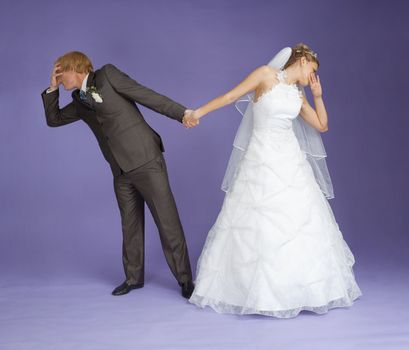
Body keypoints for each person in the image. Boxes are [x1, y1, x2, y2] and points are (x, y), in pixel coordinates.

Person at [187, 44, 362, 318]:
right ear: (303, 61)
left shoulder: (298, 95)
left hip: (291, 161)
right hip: (260, 158)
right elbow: (231, 95)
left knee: (297, 222)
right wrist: (197, 112)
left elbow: (322, 125)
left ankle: (295, 290)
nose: (313, 77)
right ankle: (255, 293)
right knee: (255, 222)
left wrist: (318, 96)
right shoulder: (265, 75)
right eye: (313, 71)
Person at [41, 51, 198, 298]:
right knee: (130, 224)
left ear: (76, 67)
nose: (59, 78)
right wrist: (52, 89)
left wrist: (182, 113)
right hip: (120, 169)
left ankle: (186, 280)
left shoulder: (107, 76)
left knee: (167, 222)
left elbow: (147, 96)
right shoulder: (80, 101)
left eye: (61, 73)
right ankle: (133, 278)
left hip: (145, 159)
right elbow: (54, 119)